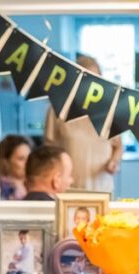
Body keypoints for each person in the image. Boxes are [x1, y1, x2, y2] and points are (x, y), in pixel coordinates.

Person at [43, 55, 122, 193]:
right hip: (69, 189)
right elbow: (49, 150)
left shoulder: (109, 110)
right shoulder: (58, 108)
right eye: (86, 78)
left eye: (95, 79)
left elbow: (118, 146)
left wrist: (113, 163)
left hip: (102, 188)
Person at [0, 135, 31, 200]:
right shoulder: (0, 188)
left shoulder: (36, 185)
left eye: (29, 158)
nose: (27, 162)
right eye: (21, 159)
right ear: (6, 161)